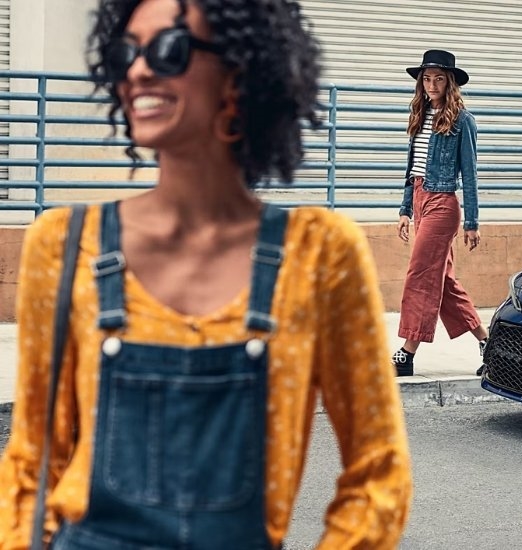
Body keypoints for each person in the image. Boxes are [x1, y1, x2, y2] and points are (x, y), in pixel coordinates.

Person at [0, 0, 413, 547]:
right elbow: (31, 462)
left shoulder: (319, 254)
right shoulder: (65, 244)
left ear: (240, 71)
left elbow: (379, 470)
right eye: (127, 52)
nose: (139, 69)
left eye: (168, 49)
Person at [391, 49, 490, 377]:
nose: (432, 84)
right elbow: (411, 168)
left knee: (419, 273)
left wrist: (473, 222)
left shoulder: (463, 120)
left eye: (439, 79)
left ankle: (407, 353)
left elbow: (471, 173)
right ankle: (489, 345)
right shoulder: (419, 114)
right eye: (427, 78)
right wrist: (405, 208)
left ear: (450, 83)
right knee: (442, 280)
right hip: (420, 200)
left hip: (443, 205)